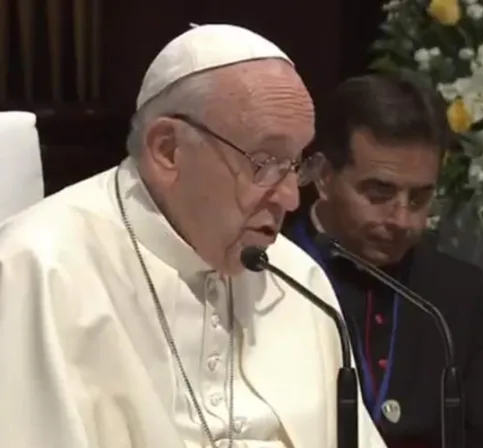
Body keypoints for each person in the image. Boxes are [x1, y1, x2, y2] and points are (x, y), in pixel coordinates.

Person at [0, 25, 387, 448]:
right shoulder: (40, 268)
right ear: (167, 149)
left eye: (296, 164)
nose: (291, 198)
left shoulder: (297, 280)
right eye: (266, 162)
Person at [284, 73, 483, 447]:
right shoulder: (267, 273)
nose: (402, 220)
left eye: (419, 198)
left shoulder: (455, 291)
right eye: (379, 193)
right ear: (323, 177)